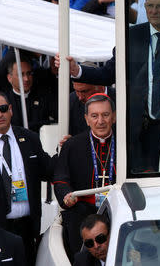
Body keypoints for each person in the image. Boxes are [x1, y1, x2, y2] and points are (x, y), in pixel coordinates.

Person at [56, 0, 160, 172]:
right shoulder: (131, 36)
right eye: (149, 6)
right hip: (142, 127)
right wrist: (77, 70)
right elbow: (108, 73)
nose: (154, 11)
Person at [54, 94, 116, 261]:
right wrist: (67, 195)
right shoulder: (73, 145)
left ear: (114, 116)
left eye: (105, 115)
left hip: (117, 209)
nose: (100, 121)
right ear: (86, 119)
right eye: (94, 116)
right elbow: (60, 179)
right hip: (83, 211)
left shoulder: (126, 142)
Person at [0, 91, 53, 265]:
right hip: (0, 229)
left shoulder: (29, 138)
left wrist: (65, 150)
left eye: (3, 108)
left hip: (28, 227)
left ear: (11, 110)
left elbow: (48, 170)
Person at [3, 53, 57, 133]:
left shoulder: (43, 96)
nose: (26, 79)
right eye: (21, 75)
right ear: (9, 78)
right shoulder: (5, 101)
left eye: (29, 73)